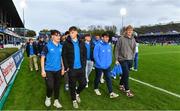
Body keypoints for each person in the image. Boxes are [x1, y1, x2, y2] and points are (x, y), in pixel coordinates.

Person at [62, 26, 87, 109]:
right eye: (70, 33)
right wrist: (66, 67)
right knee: (72, 85)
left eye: (72, 32)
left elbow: (84, 55)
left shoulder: (81, 42)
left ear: (76, 32)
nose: (71, 34)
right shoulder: (66, 43)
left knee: (83, 83)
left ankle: (77, 93)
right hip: (71, 69)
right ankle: (74, 100)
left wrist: (83, 65)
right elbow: (64, 55)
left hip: (81, 68)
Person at [41, 30, 64, 108]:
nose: (58, 37)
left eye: (59, 35)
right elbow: (42, 57)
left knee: (57, 86)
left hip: (58, 70)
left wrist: (63, 68)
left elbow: (61, 58)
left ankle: (56, 101)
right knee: (50, 86)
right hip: (49, 70)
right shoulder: (47, 46)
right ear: (52, 37)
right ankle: (48, 98)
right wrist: (43, 70)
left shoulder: (61, 46)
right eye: (57, 35)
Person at [93, 33, 119, 98]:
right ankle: (96, 88)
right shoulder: (98, 45)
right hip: (99, 66)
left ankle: (111, 93)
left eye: (108, 37)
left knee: (108, 79)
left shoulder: (109, 45)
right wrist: (100, 64)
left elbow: (110, 55)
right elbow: (95, 56)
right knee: (97, 78)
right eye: (105, 37)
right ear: (102, 38)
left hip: (107, 66)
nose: (107, 38)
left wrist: (109, 63)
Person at [115, 25, 136, 97]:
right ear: (126, 31)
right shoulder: (121, 38)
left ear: (132, 31)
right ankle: (127, 91)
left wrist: (132, 58)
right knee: (126, 74)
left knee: (125, 74)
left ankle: (121, 85)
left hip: (130, 59)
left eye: (131, 30)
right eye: (128, 30)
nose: (130, 31)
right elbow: (117, 49)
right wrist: (116, 59)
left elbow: (134, 49)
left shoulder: (133, 39)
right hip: (122, 59)